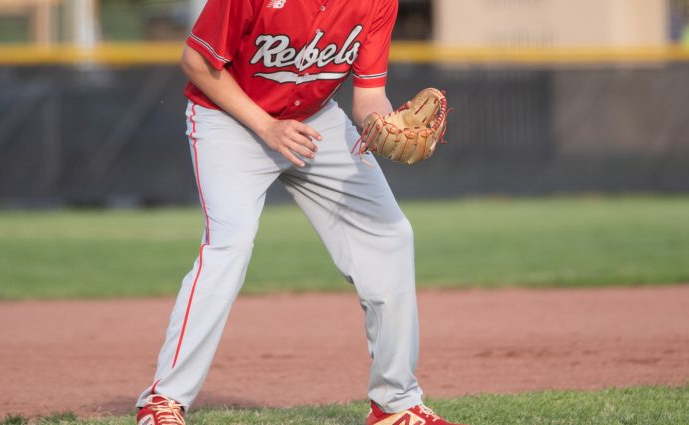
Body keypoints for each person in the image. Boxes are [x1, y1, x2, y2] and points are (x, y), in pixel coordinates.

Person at [135, 1, 465, 424]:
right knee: (229, 247)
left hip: (316, 121)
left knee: (391, 236)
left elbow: (368, 98)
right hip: (230, 120)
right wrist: (267, 127)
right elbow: (196, 62)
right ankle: (163, 400)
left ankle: (395, 404)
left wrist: (385, 126)